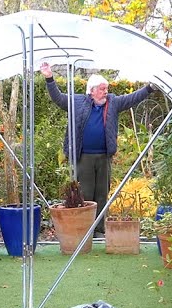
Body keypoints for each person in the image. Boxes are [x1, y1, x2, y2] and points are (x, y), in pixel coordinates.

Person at [40, 62, 156, 236]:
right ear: (91, 90)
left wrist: (150, 88)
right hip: (83, 157)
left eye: (106, 88)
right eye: (102, 89)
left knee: (102, 193)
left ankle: (100, 230)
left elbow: (133, 98)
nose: (105, 91)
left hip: (104, 157)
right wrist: (49, 77)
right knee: (85, 194)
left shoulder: (113, 102)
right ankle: (86, 230)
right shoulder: (77, 102)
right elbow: (58, 98)